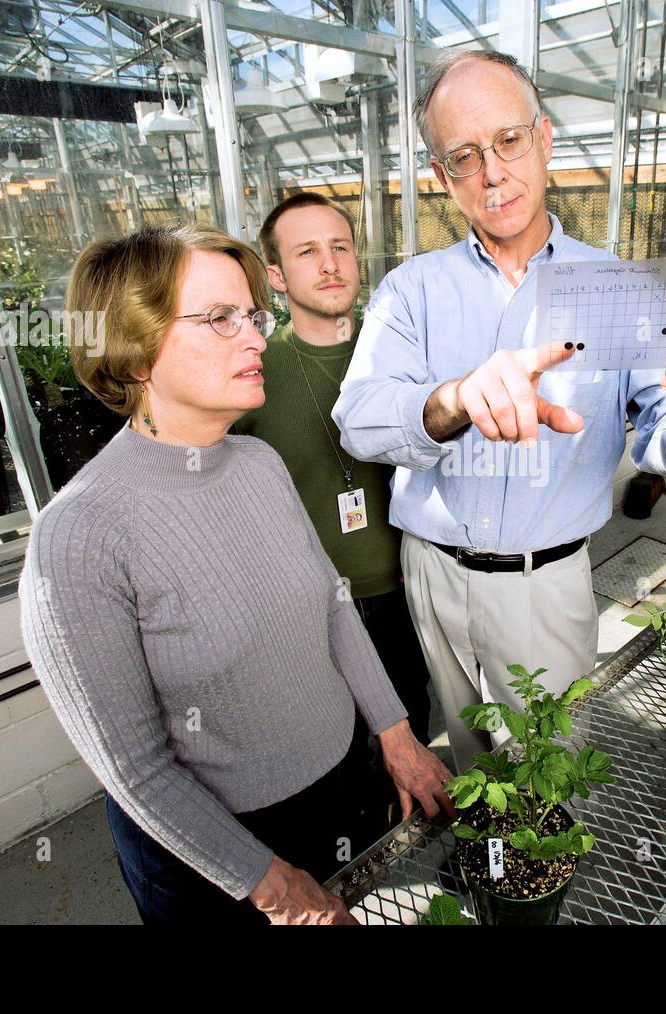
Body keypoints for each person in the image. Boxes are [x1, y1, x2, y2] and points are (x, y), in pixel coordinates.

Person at [331, 50, 666, 773]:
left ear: (544, 140)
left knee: (548, 771)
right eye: (464, 156)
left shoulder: (621, 289)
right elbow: (360, 418)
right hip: (433, 575)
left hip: (547, 584)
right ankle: (489, 876)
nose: (492, 172)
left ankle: (535, 884)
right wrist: (452, 401)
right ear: (443, 179)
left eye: (507, 141)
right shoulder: (411, 291)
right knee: (472, 758)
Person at [18, 223, 452, 926]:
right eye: (220, 319)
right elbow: (135, 768)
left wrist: (396, 736)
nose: (255, 337)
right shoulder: (80, 536)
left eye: (253, 315)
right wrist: (272, 886)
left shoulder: (258, 464)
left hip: (342, 786)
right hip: (221, 854)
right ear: (132, 351)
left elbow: (333, 606)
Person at [235, 193, 432, 754]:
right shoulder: (253, 374)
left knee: (412, 731)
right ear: (275, 275)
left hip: (407, 590)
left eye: (340, 247)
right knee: (336, 752)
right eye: (307, 252)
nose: (330, 264)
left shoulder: (401, 354)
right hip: (311, 609)